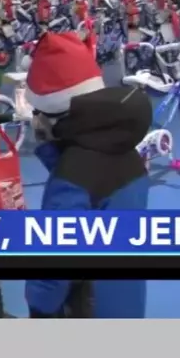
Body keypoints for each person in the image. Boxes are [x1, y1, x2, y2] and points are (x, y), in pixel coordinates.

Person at [22, 31, 154, 318]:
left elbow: (52, 273)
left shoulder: (72, 178)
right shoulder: (126, 151)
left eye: (37, 111)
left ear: (51, 113)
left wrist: (38, 305)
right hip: (126, 303)